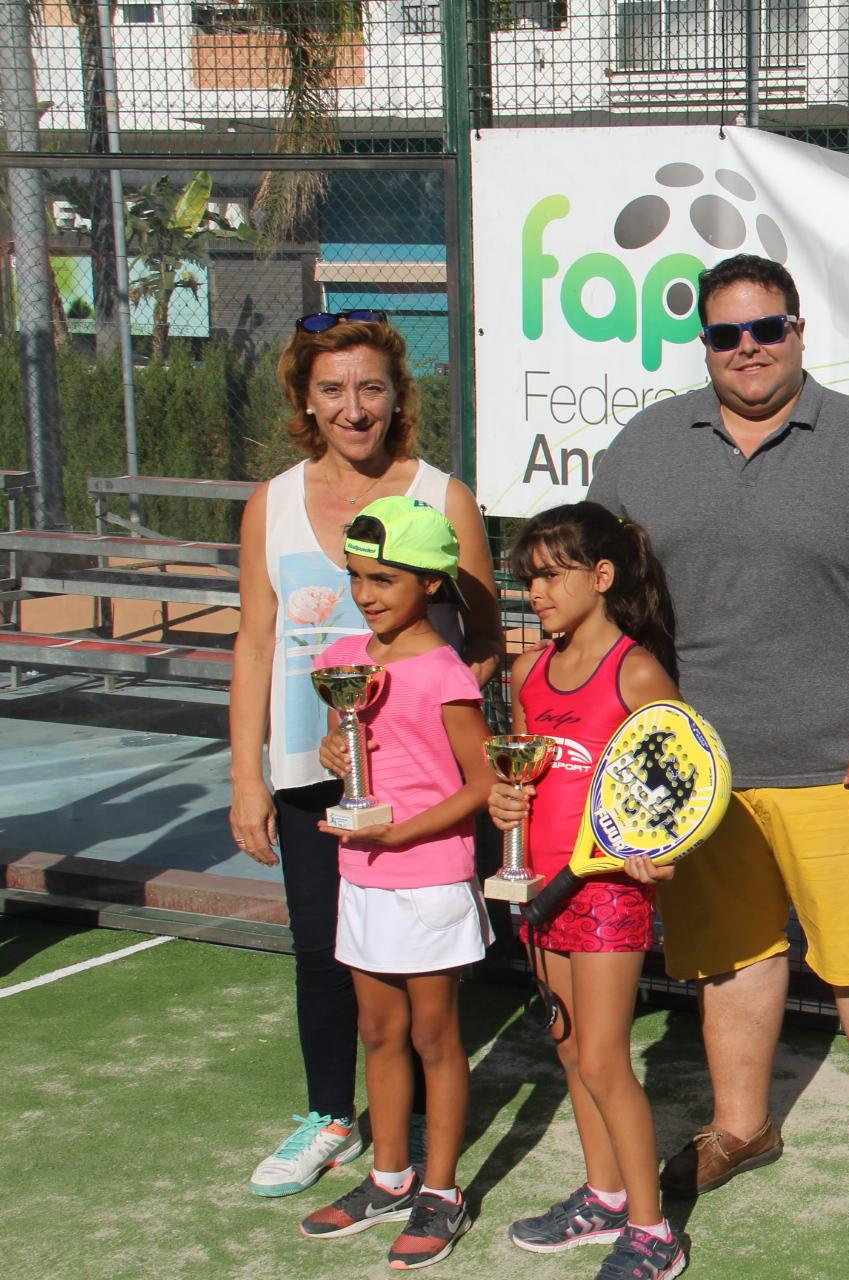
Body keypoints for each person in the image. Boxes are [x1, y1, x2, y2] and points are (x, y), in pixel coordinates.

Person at [586, 254, 849, 1219]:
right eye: (726, 334)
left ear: (798, 332)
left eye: (767, 329)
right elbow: (600, 586)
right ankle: (743, 1126)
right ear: (704, 343)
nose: (747, 348)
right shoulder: (647, 445)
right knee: (732, 956)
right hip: (696, 774)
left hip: (844, 763)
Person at [228, 311, 500, 1199]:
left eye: (371, 387)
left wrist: (412, 727)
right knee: (322, 950)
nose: (354, 407)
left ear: (396, 397)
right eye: (333, 389)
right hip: (310, 771)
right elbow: (256, 646)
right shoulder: (270, 504)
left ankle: (413, 1128)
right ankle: (329, 1118)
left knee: (419, 975)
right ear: (306, 401)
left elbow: (483, 641)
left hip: (420, 789)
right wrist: (247, 775)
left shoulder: (443, 495)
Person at [485, 502, 689, 1279]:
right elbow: (525, 777)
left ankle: (653, 1233)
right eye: (528, 579)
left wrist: (657, 853)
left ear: (602, 576)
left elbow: (684, 782)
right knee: (572, 1052)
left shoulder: (636, 671)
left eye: (551, 575)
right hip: (540, 888)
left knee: (603, 1060)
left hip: (608, 897)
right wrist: (506, 802)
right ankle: (604, 1197)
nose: (536, 592)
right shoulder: (526, 673)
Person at [295, 496, 494, 1269]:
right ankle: (388, 1178)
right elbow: (340, 748)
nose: (366, 594)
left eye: (384, 579)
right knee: (378, 1033)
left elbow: (482, 782)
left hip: (430, 879)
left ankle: (441, 1193)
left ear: (431, 584)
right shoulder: (343, 659)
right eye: (356, 577)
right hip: (362, 873)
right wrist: (332, 755)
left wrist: (402, 833)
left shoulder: (444, 671)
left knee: (434, 1038)